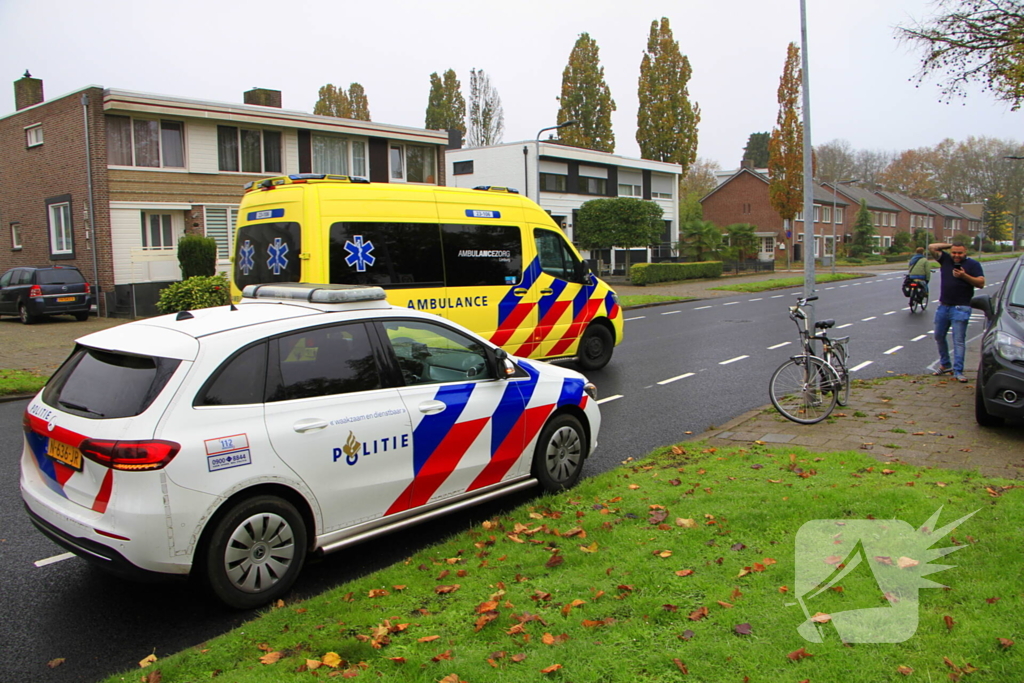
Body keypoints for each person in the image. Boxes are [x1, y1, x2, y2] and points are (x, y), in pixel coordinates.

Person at [928, 242, 985, 382]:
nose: (956, 255)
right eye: (954, 252)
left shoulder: (973, 265)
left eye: (960, 253)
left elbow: (981, 283)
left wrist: (964, 276)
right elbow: (932, 247)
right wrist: (951, 245)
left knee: (958, 340)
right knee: (939, 336)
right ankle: (945, 364)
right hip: (944, 305)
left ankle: (958, 371)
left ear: (965, 253)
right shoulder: (946, 259)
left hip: (961, 307)